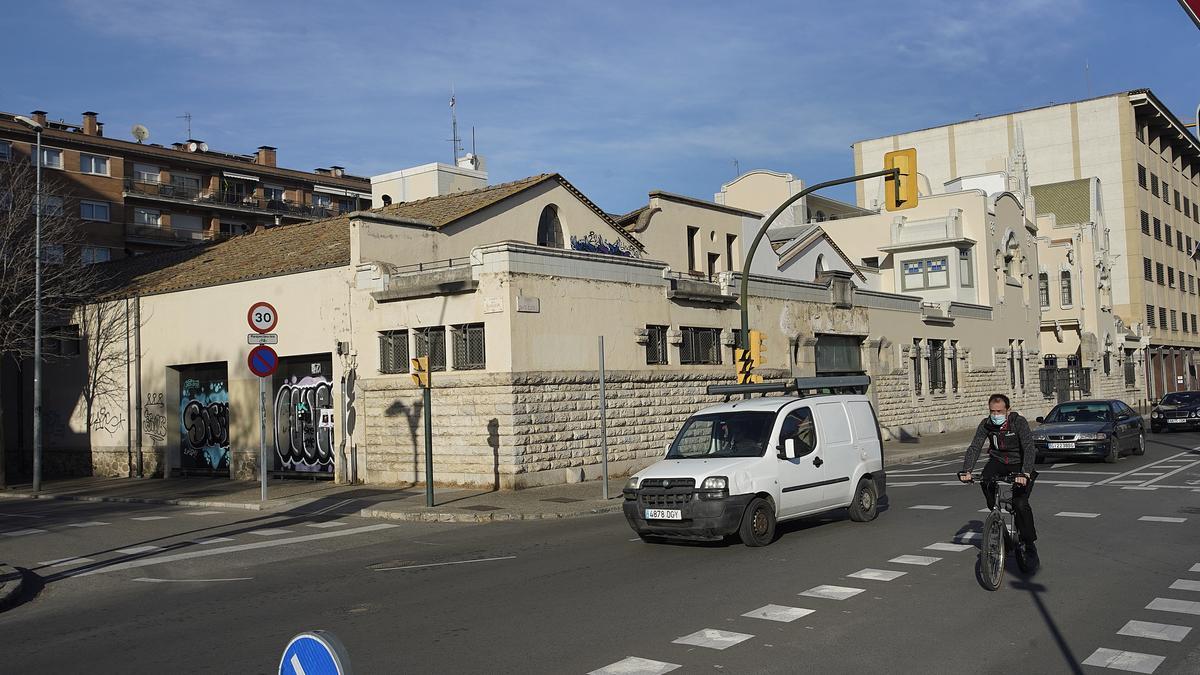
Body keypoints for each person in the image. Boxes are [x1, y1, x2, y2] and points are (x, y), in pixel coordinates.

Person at [958, 393, 1040, 570]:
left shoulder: (1019, 422)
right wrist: (967, 470)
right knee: (985, 480)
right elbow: (975, 446)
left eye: (999, 411)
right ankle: (995, 512)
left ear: (1008, 410)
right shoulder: (986, 424)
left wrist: (1025, 472)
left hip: (1019, 463)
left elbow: (1028, 447)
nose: (995, 415)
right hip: (998, 461)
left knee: (1020, 504)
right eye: (992, 411)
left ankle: (1029, 544)